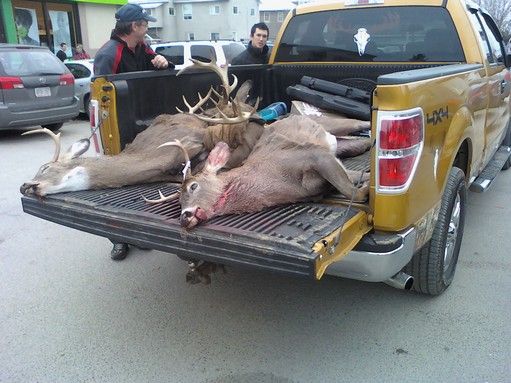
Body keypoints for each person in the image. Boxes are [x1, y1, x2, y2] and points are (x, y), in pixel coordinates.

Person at [94, 3, 172, 260]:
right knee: (116, 185)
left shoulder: (141, 48)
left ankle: (135, 233)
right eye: (145, 23)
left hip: (139, 124)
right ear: (134, 26)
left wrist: (163, 61)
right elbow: (101, 93)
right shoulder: (109, 53)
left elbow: (162, 67)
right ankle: (118, 239)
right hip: (115, 127)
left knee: (138, 178)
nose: (148, 26)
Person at [94, 3, 171, 75]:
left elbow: (157, 66)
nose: (147, 29)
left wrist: (163, 63)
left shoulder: (143, 47)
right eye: (146, 25)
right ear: (134, 26)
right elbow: (102, 87)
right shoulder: (107, 55)